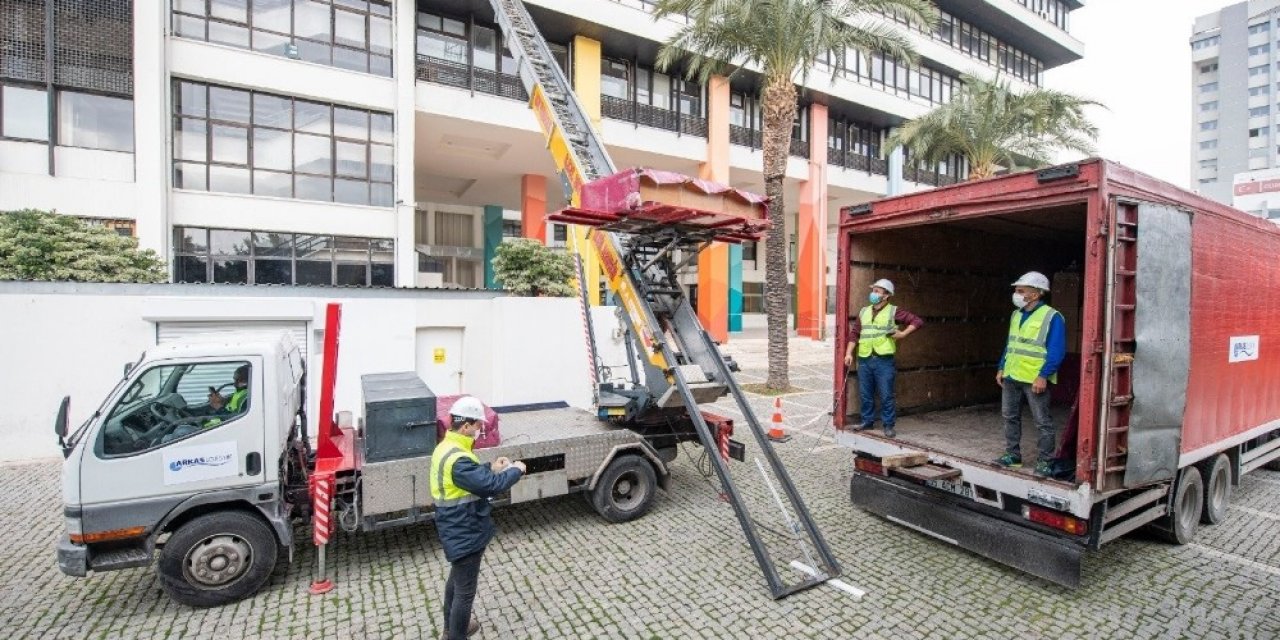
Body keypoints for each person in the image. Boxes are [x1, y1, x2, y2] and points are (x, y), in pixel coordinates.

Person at [429, 396, 525, 640]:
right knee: (464, 593)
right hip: (465, 528)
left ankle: (450, 629)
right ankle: (455, 635)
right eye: (478, 425)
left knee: (456, 582)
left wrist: (490, 467)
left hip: (456, 526)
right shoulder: (459, 458)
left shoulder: (447, 448)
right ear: (465, 427)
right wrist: (516, 470)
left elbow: (470, 477)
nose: (481, 429)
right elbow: (491, 487)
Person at [995, 271, 1067, 477]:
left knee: (1042, 421)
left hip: (1034, 379)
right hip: (1011, 375)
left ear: (1035, 294)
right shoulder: (1016, 314)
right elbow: (1011, 344)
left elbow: (1056, 351)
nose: (1016, 294)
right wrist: (1002, 367)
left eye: (1020, 291)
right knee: (1009, 417)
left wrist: (1043, 375)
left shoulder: (1052, 317)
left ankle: (1045, 461)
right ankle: (1012, 456)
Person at [844, 278, 924, 438]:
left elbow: (917, 321)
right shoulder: (864, 311)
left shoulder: (894, 311)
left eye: (877, 291)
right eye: (873, 290)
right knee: (865, 394)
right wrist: (848, 353)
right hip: (865, 359)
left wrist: (902, 334)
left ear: (886, 296)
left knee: (886, 394)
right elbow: (855, 334)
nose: (873, 294)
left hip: (883, 360)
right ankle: (867, 421)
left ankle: (888, 425)